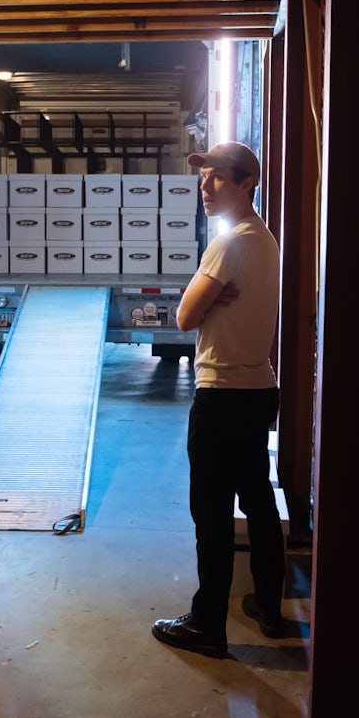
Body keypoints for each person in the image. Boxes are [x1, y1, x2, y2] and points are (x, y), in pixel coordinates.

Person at [151, 141, 285, 658]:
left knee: (210, 512)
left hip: (222, 393)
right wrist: (207, 296)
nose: (205, 188)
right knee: (257, 499)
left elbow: (184, 317)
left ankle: (207, 623)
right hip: (257, 389)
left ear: (248, 181)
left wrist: (200, 297)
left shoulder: (229, 244)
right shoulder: (264, 239)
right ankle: (269, 607)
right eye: (203, 178)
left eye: (218, 178)